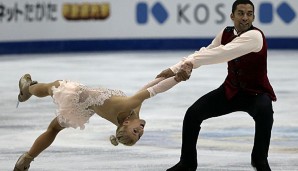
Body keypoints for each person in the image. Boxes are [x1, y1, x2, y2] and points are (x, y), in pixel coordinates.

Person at [157, 0, 276, 170]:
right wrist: (181, 67)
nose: (245, 18)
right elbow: (208, 51)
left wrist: (181, 66)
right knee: (192, 114)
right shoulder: (226, 33)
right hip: (231, 91)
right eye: (241, 13)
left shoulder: (255, 36)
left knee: (262, 142)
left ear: (253, 17)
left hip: (257, 95)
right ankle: (187, 163)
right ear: (232, 16)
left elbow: (220, 54)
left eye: (249, 14)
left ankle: (259, 161)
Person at [13, 64, 192, 171]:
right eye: (140, 134)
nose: (142, 130)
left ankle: (27, 89)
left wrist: (177, 79)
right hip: (86, 109)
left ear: (126, 123)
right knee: (53, 129)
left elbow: (154, 90)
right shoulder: (133, 112)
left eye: (136, 131)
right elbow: (152, 84)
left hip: (76, 95)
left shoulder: (127, 107)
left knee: (49, 87)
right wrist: (173, 72)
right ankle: (26, 160)